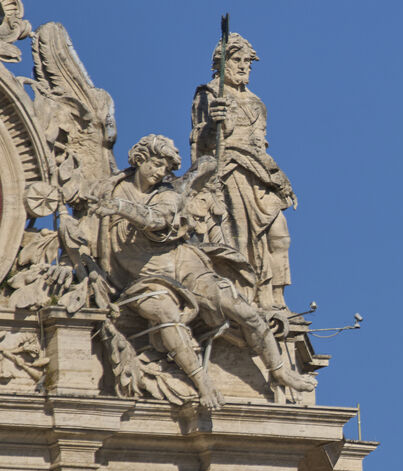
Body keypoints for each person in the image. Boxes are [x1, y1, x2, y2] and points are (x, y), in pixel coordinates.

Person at [92, 134, 316, 410]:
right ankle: (204, 385)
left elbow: (158, 219)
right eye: (157, 164)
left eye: (166, 169)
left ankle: (279, 369)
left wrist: (121, 208)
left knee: (241, 308)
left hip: (184, 265)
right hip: (144, 279)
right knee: (166, 316)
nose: (161, 172)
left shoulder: (166, 195)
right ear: (140, 159)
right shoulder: (111, 188)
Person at [191, 33, 296, 309]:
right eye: (236, 60)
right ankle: (252, 297)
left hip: (259, 175)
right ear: (221, 63)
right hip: (231, 174)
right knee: (241, 240)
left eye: (247, 62)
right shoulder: (209, 94)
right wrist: (215, 123)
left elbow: (261, 147)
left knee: (279, 235)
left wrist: (278, 178)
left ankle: (278, 298)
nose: (242, 66)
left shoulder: (257, 103)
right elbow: (201, 144)